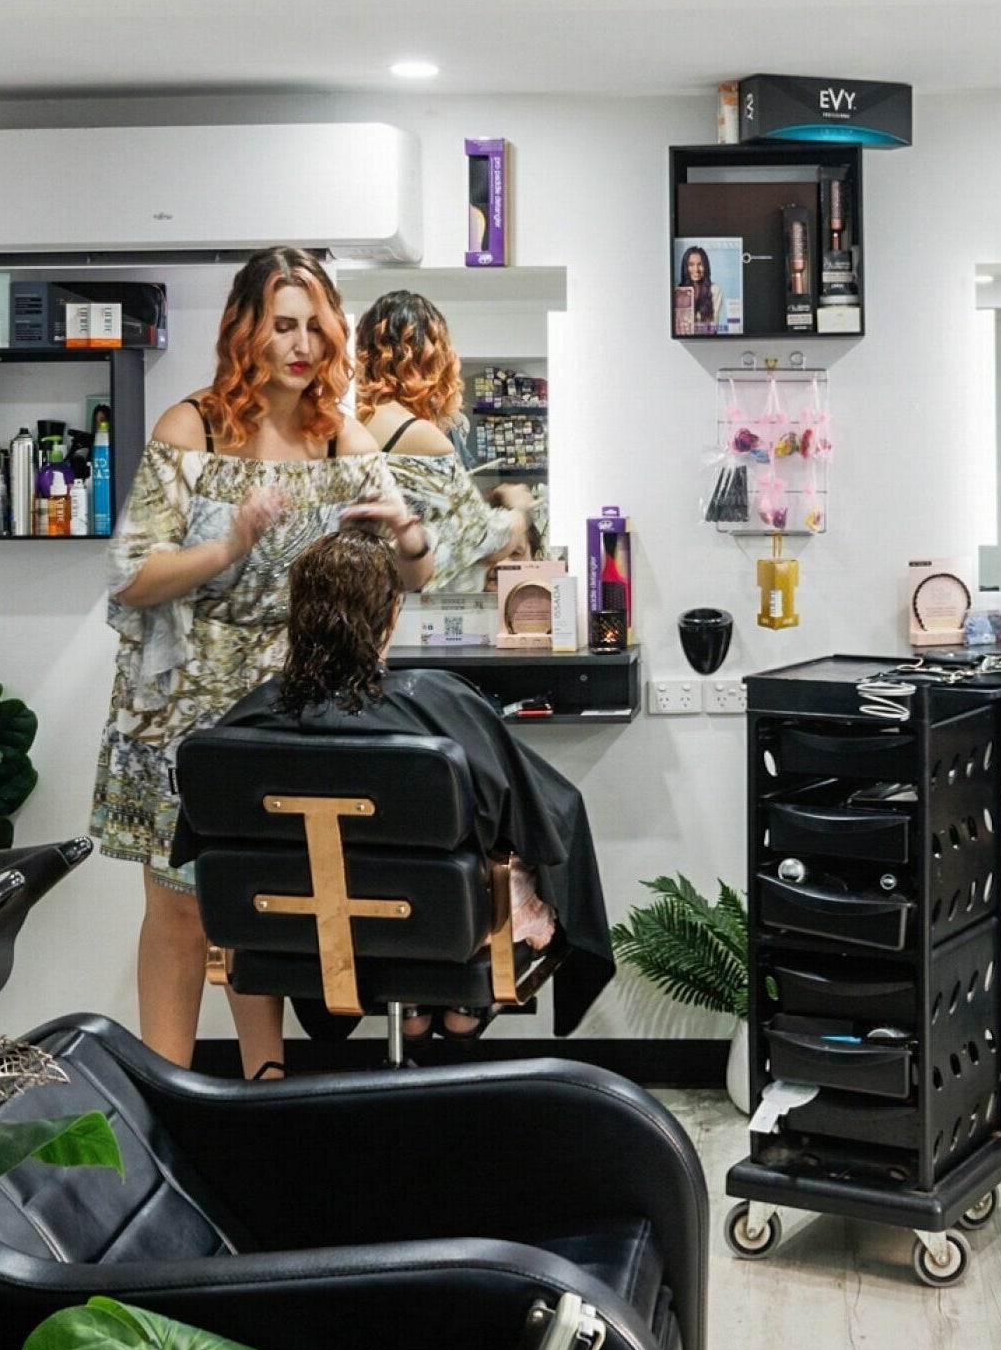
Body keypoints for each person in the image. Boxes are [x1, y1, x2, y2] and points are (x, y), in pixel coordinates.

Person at [92, 246, 436, 1073]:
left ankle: (265, 1078)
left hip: (279, 717)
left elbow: (414, 572)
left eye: (316, 327)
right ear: (246, 330)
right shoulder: (194, 428)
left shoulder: (337, 437)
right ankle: (165, 1092)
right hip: (177, 720)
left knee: (259, 908)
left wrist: (408, 529)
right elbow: (132, 575)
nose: (301, 345)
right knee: (181, 913)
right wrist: (231, 543)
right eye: (283, 325)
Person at [197, 522, 614, 1036]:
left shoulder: (248, 719)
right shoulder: (441, 702)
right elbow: (545, 812)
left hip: (303, 932)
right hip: (432, 919)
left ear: (297, 619)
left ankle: (414, 1006)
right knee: (510, 852)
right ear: (392, 615)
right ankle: (449, 1007)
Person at [350, 289, 536, 592]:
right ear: (436, 361)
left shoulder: (350, 425)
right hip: (407, 615)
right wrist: (519, 512)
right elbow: (483, 539)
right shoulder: (418, 435)